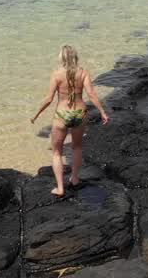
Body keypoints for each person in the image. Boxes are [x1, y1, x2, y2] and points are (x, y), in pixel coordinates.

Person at [31, 45, 109, 196]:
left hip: (62, 115)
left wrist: (36, 114)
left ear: (62, 58)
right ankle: (74, 179)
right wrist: (102, 112)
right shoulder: (83, 73)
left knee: (57, 152)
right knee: (77, 147)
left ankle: (60, 188)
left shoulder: (57, 74)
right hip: (80, 114)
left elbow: (49, 99)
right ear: (75, 57)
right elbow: (91, 94)